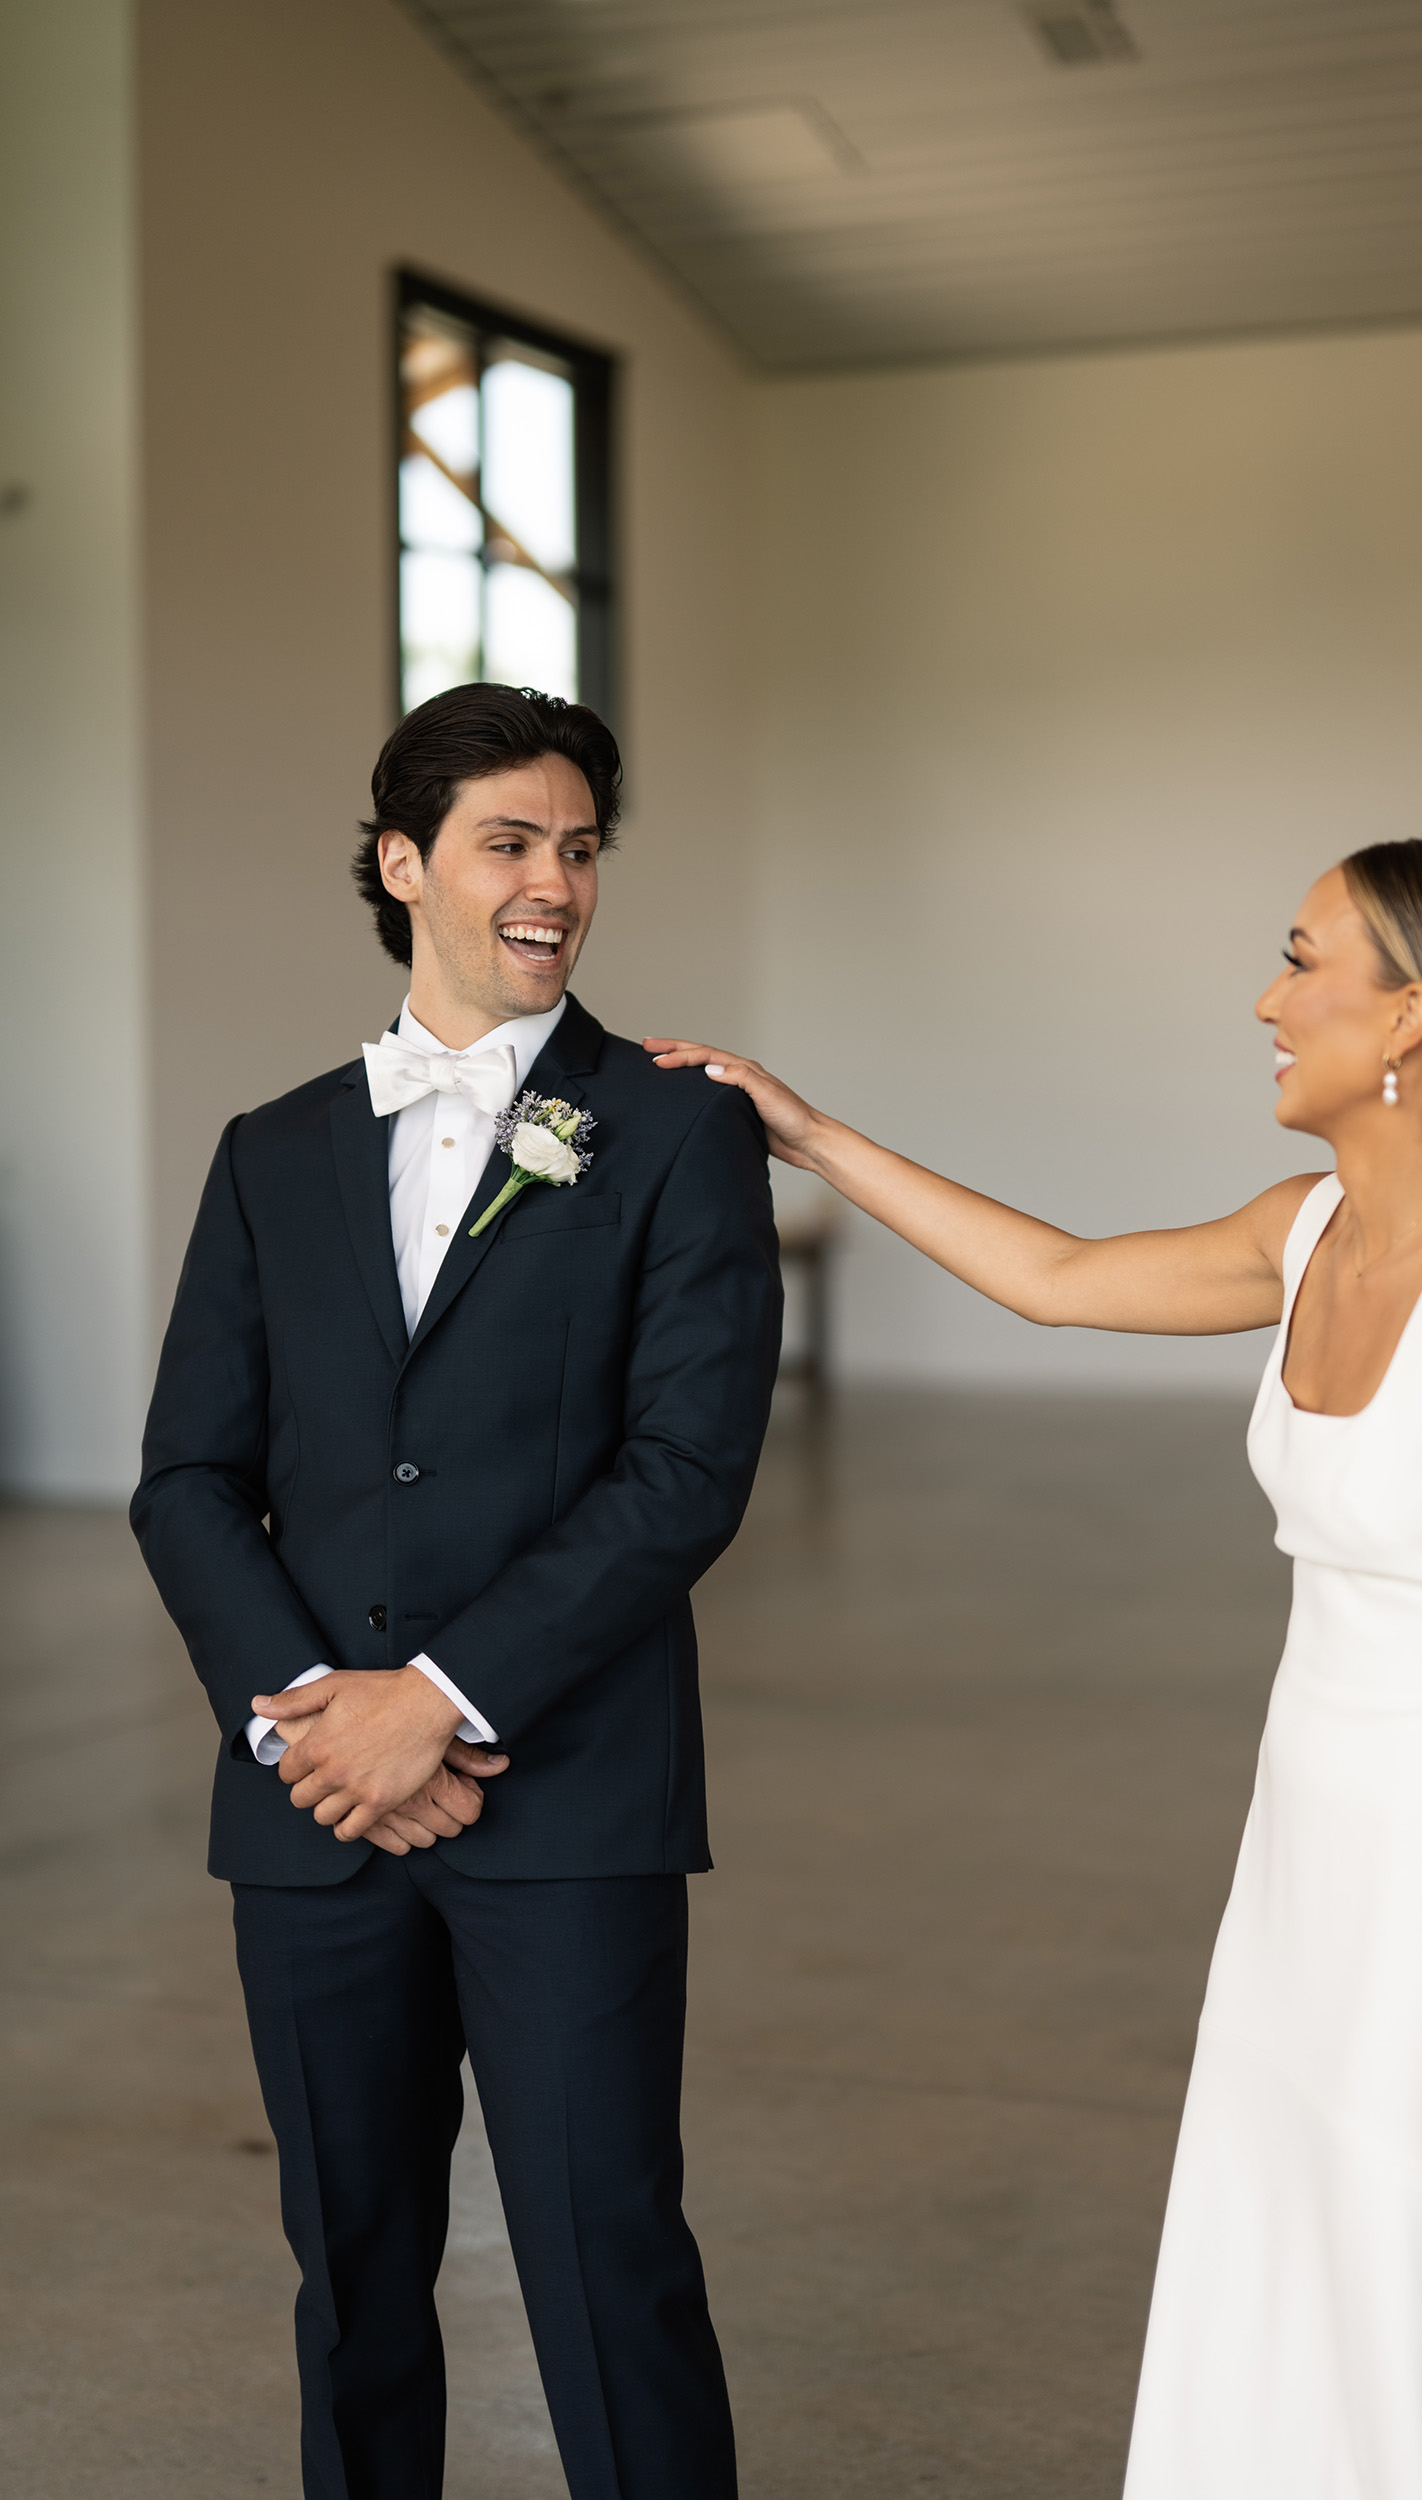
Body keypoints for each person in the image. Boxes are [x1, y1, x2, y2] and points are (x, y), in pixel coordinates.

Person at [647, 839, 1422, 2496]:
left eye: (1302, 962)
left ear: (1409, 1015)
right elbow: (1055, 1281)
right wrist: (810, 1133)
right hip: (1307, 1848)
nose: (1267, 1001)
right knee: (1286, 2254)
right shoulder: (1310, 1230)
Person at [132, 682, 782, 2500]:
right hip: (312, 1807)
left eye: (580, 849)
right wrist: (315, 1725)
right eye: (512, 841)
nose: (554, 884)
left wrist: (442, 1698)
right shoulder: (272, 1152)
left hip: (565, 1801)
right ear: (405, 860)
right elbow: (187, 1477)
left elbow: (685, 1473)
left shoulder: (675, 1131)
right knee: (347, 2278)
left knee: (605, 2265)